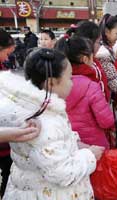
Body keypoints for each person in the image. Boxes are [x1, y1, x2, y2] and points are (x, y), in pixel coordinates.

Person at [0, 48, 104, 200]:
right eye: (69, 78)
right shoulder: (45, 120)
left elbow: (55, 144)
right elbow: (62, 174)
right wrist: (90, 155)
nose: (72, 84)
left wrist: (77, 143)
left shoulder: (34, 108)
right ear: (51, 82)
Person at [0, 29, 41, 198]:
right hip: (7, 136)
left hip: (7, 140)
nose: (6, 58)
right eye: (5, 53)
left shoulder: (3, 68)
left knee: (8, 174)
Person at [57, 35, 115, 150]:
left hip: (66, 144)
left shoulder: (53, 85)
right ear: (85, 59)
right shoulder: (91, 86)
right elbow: (106, 121)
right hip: (94, 145)